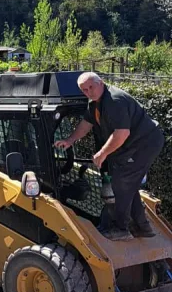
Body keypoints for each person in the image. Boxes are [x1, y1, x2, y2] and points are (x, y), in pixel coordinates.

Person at [55, 72, 164, 241]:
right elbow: (86, 124)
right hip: (133, 145)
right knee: (127, 183)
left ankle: (121, 228)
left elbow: (121, 133)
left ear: (101, 83)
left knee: (121, 181)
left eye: (91, 86)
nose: (89, 92)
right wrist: (70, 140)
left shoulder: (115, 100)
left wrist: (102, 153)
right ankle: (142, 227)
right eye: (84, 90)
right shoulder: (95, 103)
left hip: (144, 144)